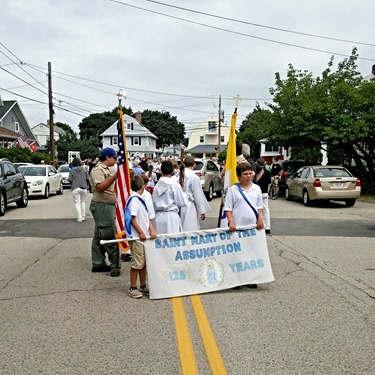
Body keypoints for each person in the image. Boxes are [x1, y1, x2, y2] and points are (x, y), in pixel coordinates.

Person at [224, 162, 263, 289]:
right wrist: (231, 221)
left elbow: (259, 206)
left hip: (251, 227)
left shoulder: (256, 189)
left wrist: (260, 219)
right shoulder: (233, 190)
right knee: (238, 253)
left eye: (250, 174)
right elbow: (228, 208)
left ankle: (250, 278)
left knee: (251, 252)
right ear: (239, 176)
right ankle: (237, 279)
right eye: (245, 174)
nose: (248, 176)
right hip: (238, 227)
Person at [89, 147, 121, 277]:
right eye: (114, 157)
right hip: (102, 206)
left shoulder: (105, 169)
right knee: (108, 235)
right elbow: (101, 187)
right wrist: (115, 177)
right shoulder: (97, 170)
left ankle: (98, 263)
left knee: (99, 236)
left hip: (105, 205)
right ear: (107, 157)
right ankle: (115, 265)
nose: (116, 159)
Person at [127, 175, 157, 298]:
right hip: (137, 238)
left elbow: (146, 219)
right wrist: (140, 232)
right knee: (137, 263)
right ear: (143, 186)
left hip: (144, 237)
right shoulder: (134, 199)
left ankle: (143, 285)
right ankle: (132, 287)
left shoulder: (140, 199)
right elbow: (133, 219)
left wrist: (152, 230)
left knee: (144, 263)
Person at [152, 160, 188, 234]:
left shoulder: (156, 186)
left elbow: (153, 201)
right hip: (171, 217)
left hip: (159, 217)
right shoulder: (175, 185)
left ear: (161, 171)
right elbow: (182, 202)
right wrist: (183, 193)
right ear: (172, 171)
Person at [180, 156, 211, 231]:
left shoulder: (178, 175)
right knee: (190, 228)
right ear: (194, 165)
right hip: (189, 206)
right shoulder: (193, 177)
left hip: (178, 205)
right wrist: (202, 211)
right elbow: (198, 194)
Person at [253, 158, 272, 235]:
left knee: (256, 209)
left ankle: (257, 224)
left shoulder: (256, 172)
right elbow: (269, 184)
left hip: (257, 193)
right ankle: (267, 227)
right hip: (264, 193)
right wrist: (268, 191)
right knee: (265, 210)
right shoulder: (267, 172)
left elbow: (255, 181)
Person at [68, 157, 89, 223]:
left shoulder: (72, 170)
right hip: (84, 187)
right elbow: (87, 178)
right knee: (83, 202)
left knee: (77, 203)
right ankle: (83, 217)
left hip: (75, 187)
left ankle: (79, 218)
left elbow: (70, 179)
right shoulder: (84, 169)